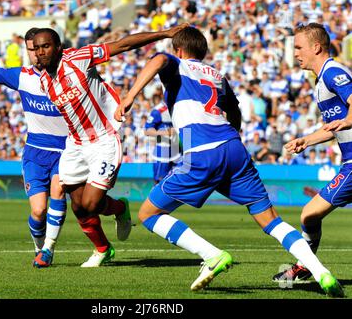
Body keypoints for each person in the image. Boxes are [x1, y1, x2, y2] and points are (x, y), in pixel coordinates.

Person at [114, 26, 344, 297]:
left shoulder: (175, 64)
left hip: (202, 150)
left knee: (148, 214)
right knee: (271, 220)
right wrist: (232, 136)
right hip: (234, 149)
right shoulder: (217, 75)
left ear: (178, 50)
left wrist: (130, 95)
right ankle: (320, 271)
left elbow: (159, 60)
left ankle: (211, 255)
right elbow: (234, 110)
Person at [32, 23, 188, 267]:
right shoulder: (44, 81)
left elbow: (124, 44)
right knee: (78, 207)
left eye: (46, 46)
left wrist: (165, 33)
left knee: (92, 203)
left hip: (104, 138)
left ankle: (119, 208)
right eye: (37, 48)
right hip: (75, 144)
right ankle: (103, 249)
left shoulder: (78, 58)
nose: (41, 52)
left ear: (58, 47)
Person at [0, 11, 68, 268]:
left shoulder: (68, 74)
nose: (36, 54)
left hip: (66, 150)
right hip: (35, 152)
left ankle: (49, 249)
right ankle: (39, 247)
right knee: (38, 211)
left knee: (59, 192)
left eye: (40, 48)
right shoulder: (21, 77)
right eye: (31, 49)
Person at [272, 23, 352, 289]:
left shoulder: (333, 72)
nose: (295, 53)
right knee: (310, 216)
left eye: (298, 47)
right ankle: (306, 265)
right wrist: (306, 140)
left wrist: (349, 120)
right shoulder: (321, 81)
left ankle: (305, 265)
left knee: (308, 215)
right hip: (348, 162)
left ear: (316, 47)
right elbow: (333, 127)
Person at [144, 100, 180, 183]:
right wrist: (166, 132)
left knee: (174, 181)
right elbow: (147, 131)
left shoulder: (179, 105)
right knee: (159, 182)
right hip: (163, 153)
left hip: (176, 151)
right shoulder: (158, 111)